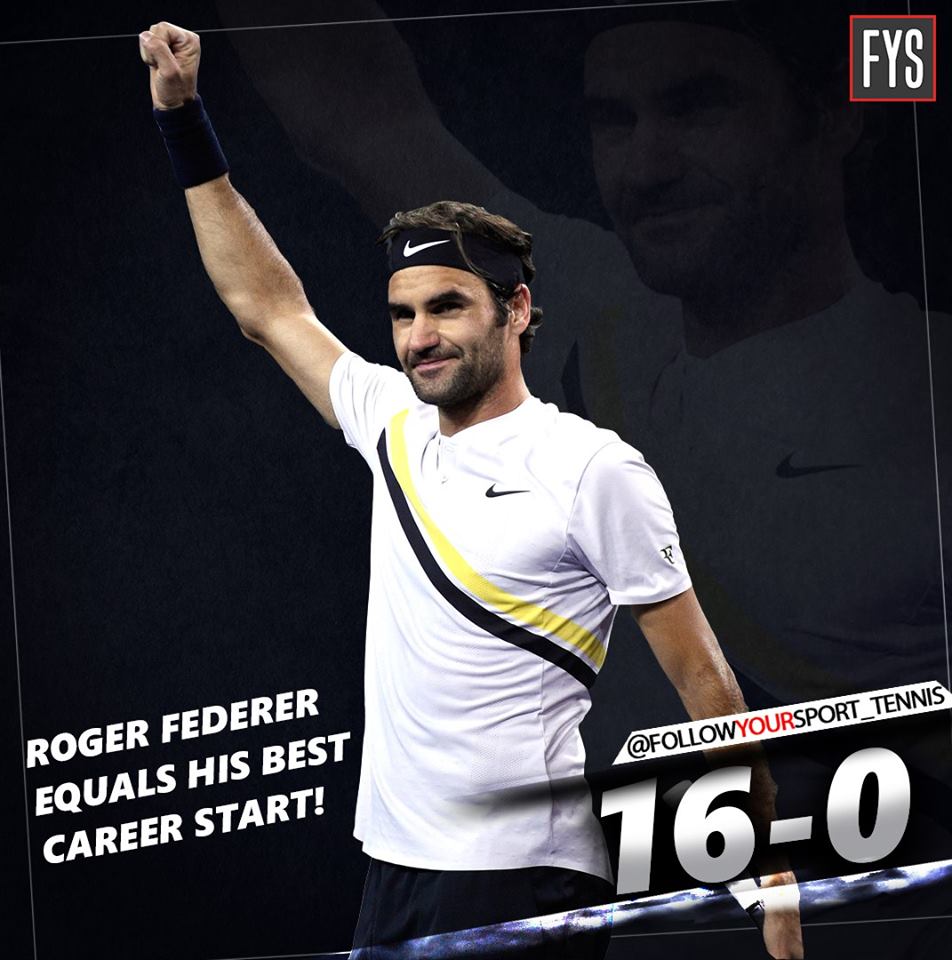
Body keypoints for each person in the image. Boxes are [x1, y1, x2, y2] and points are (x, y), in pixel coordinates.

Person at [138, 21, 803, 959]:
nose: (420, 337)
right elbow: (268, 308)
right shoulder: (390, 422)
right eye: (403, 314)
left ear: (516, 310)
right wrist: (182, 120)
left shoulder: (590, 467)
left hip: (522, 876)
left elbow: (704, 678)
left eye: (448, 306)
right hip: (394, 865)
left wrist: (771, 870)